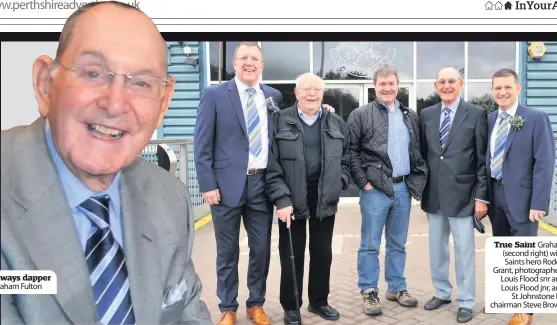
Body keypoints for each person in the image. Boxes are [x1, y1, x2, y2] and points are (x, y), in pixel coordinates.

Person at [0, 2, 212, 325]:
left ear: (164, 102)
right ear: (45, 85)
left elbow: (186, 315)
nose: (114, 104)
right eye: (93, 73)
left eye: (140, 83)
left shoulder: (169, 198)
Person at [194, 42, 336, 325]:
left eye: (255, 59)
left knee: (260, 250)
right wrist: (207, 184)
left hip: (261, 186)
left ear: (262, 65)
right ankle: (227, 307)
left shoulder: (271, 96)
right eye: (244, 58)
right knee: (227, 251)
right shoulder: (215, 95)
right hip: (224, 187)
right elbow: (202, 144)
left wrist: (325, 108)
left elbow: (294, 118)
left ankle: (255, 304)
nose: (249, 63)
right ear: (234, 63)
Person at [265, 73, 351, 325]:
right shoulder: (279, 121)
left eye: (317, 89)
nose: (312, 94)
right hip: (291, 199)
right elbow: (271, 164)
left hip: (324, 196)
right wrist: (281, 199)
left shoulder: (336, 122)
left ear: (322, 93)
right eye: (306, 89)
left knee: (322, 252)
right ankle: (291, 306)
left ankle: (319, 301)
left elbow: (346, 158)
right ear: (296, 92)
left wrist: (340, 181)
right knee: (291, 253)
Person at [347, 63, 428, 317]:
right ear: (375, 86)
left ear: (397, 85)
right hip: (374, 191)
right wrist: (364, 182)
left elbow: (418, 152)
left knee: (398, 243)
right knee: (370, 244)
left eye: (391, 83)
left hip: (402, 188)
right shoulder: (360, 114)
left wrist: (417, 179)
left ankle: (396, 287)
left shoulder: (410, 115)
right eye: (382, 84)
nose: (387, 88)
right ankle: (369, 290)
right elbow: (351, 152)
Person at [419, 67, 489, 323]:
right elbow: (425, 154)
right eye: (442, 82)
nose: (446, 86)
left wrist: (481, 197)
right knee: (436, 248)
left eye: (452, 81)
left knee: (464, 250)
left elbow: (482, 159)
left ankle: (467, 300)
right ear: (436, 86)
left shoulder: (477, 113)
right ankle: (442, 291)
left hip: (463, 194)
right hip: (434, 193)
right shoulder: (426, 113)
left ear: (460, 83)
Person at [486, 68, 555, 325]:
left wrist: (539, 203)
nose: (502, 92)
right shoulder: (491, 119)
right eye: (497, 88)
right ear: (492, 91)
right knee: (506, 254)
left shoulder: (536, 117)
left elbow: (544, 163)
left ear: (518, 88)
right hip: (497, 196)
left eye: (507, 87)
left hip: (525, 201)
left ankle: (525, 312)